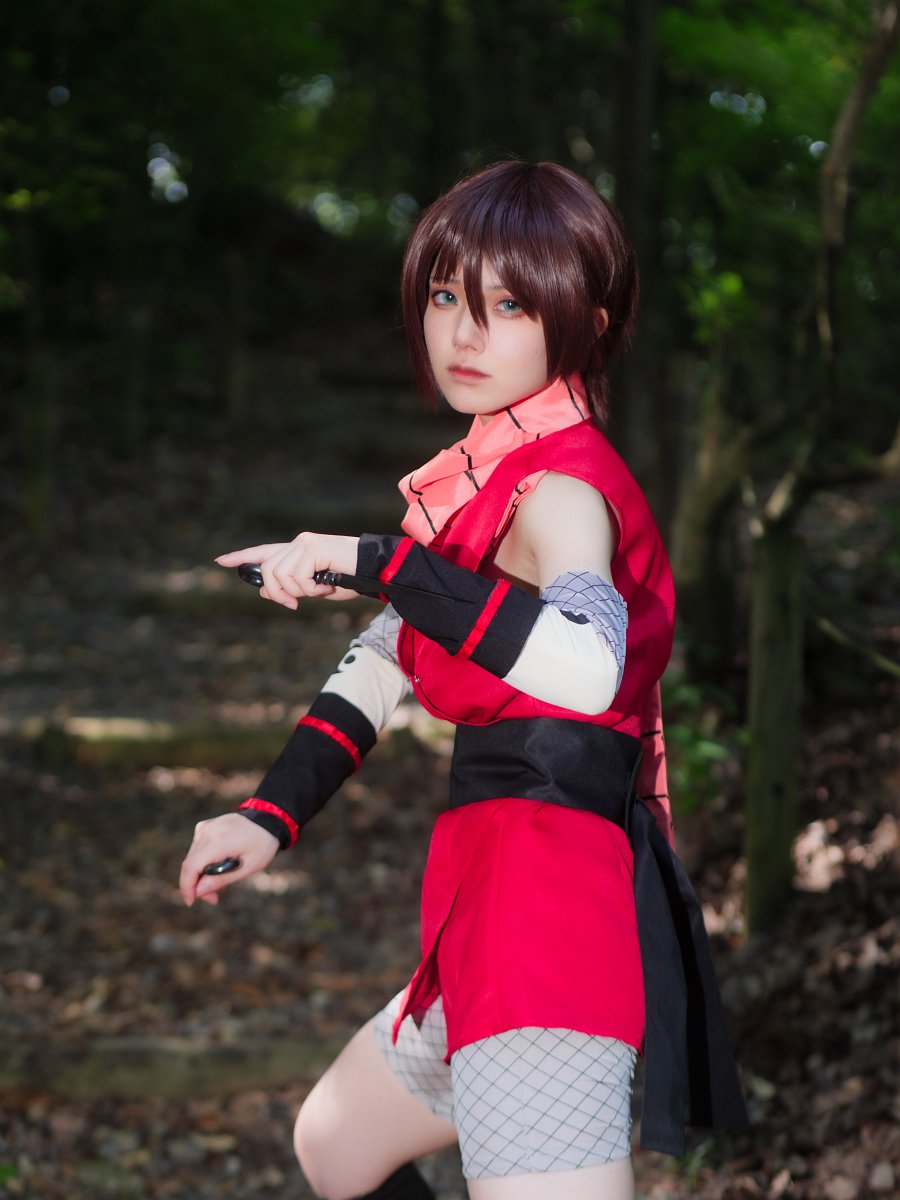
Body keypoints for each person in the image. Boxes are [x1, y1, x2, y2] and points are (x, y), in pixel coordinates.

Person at [179, 160, 747, 1200]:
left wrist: (375, 558)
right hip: (485, 917)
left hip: (548, 938)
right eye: (446, 295)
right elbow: (387, 655)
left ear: (586, 323)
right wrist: (268, 814)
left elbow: (587, 666)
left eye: (510, 305)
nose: (464, 333)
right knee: (337, 1147)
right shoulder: (490, 483)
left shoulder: (563, 491)